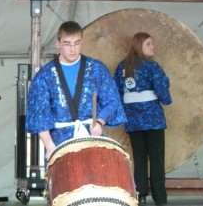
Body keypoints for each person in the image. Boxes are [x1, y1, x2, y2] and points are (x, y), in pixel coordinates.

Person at [26, 21, 127, 168]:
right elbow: (39, 115)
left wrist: (99, 122)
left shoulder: (96, 69)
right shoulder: (45, 75)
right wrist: (49, 147)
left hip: (91, 138)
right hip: (59, 142)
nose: (72, 49)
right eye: (67, 44)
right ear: (58, 43)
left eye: (77, 43)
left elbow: (112, 100)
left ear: (82, 42)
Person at [114, 32, 172, 206]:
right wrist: (167, 100)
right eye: (149, 44)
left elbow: (115, 91)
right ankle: (160, 198)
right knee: (156, 158)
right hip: (153, 120)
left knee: (139, 158)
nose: (153, 47)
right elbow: (162, 90)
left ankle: (139, 195)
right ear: (139, 46)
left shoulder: (122, 67)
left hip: (133, 121)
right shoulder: (152, 67)